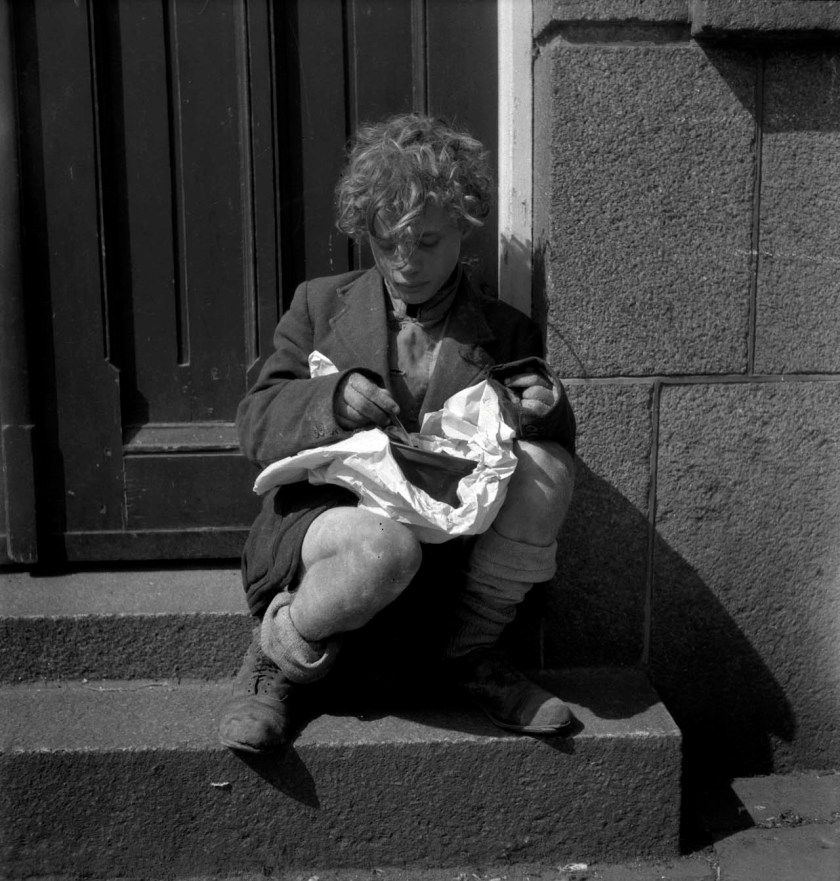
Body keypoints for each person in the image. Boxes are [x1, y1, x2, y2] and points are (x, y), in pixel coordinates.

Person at [218, 113, 576, 755]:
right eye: (388, 243)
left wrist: (543, 410)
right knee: (383, 549)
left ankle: (470, 653)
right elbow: (255, 424)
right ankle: (279, 655)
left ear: (464, 230)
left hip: (449, 548)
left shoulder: (505, 329)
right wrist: (329, 398)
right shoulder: (319, 305)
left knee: (548, 466)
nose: (406, 263)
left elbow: (541, 438)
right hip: (333, 527)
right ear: (367, 232)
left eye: (428, 242)